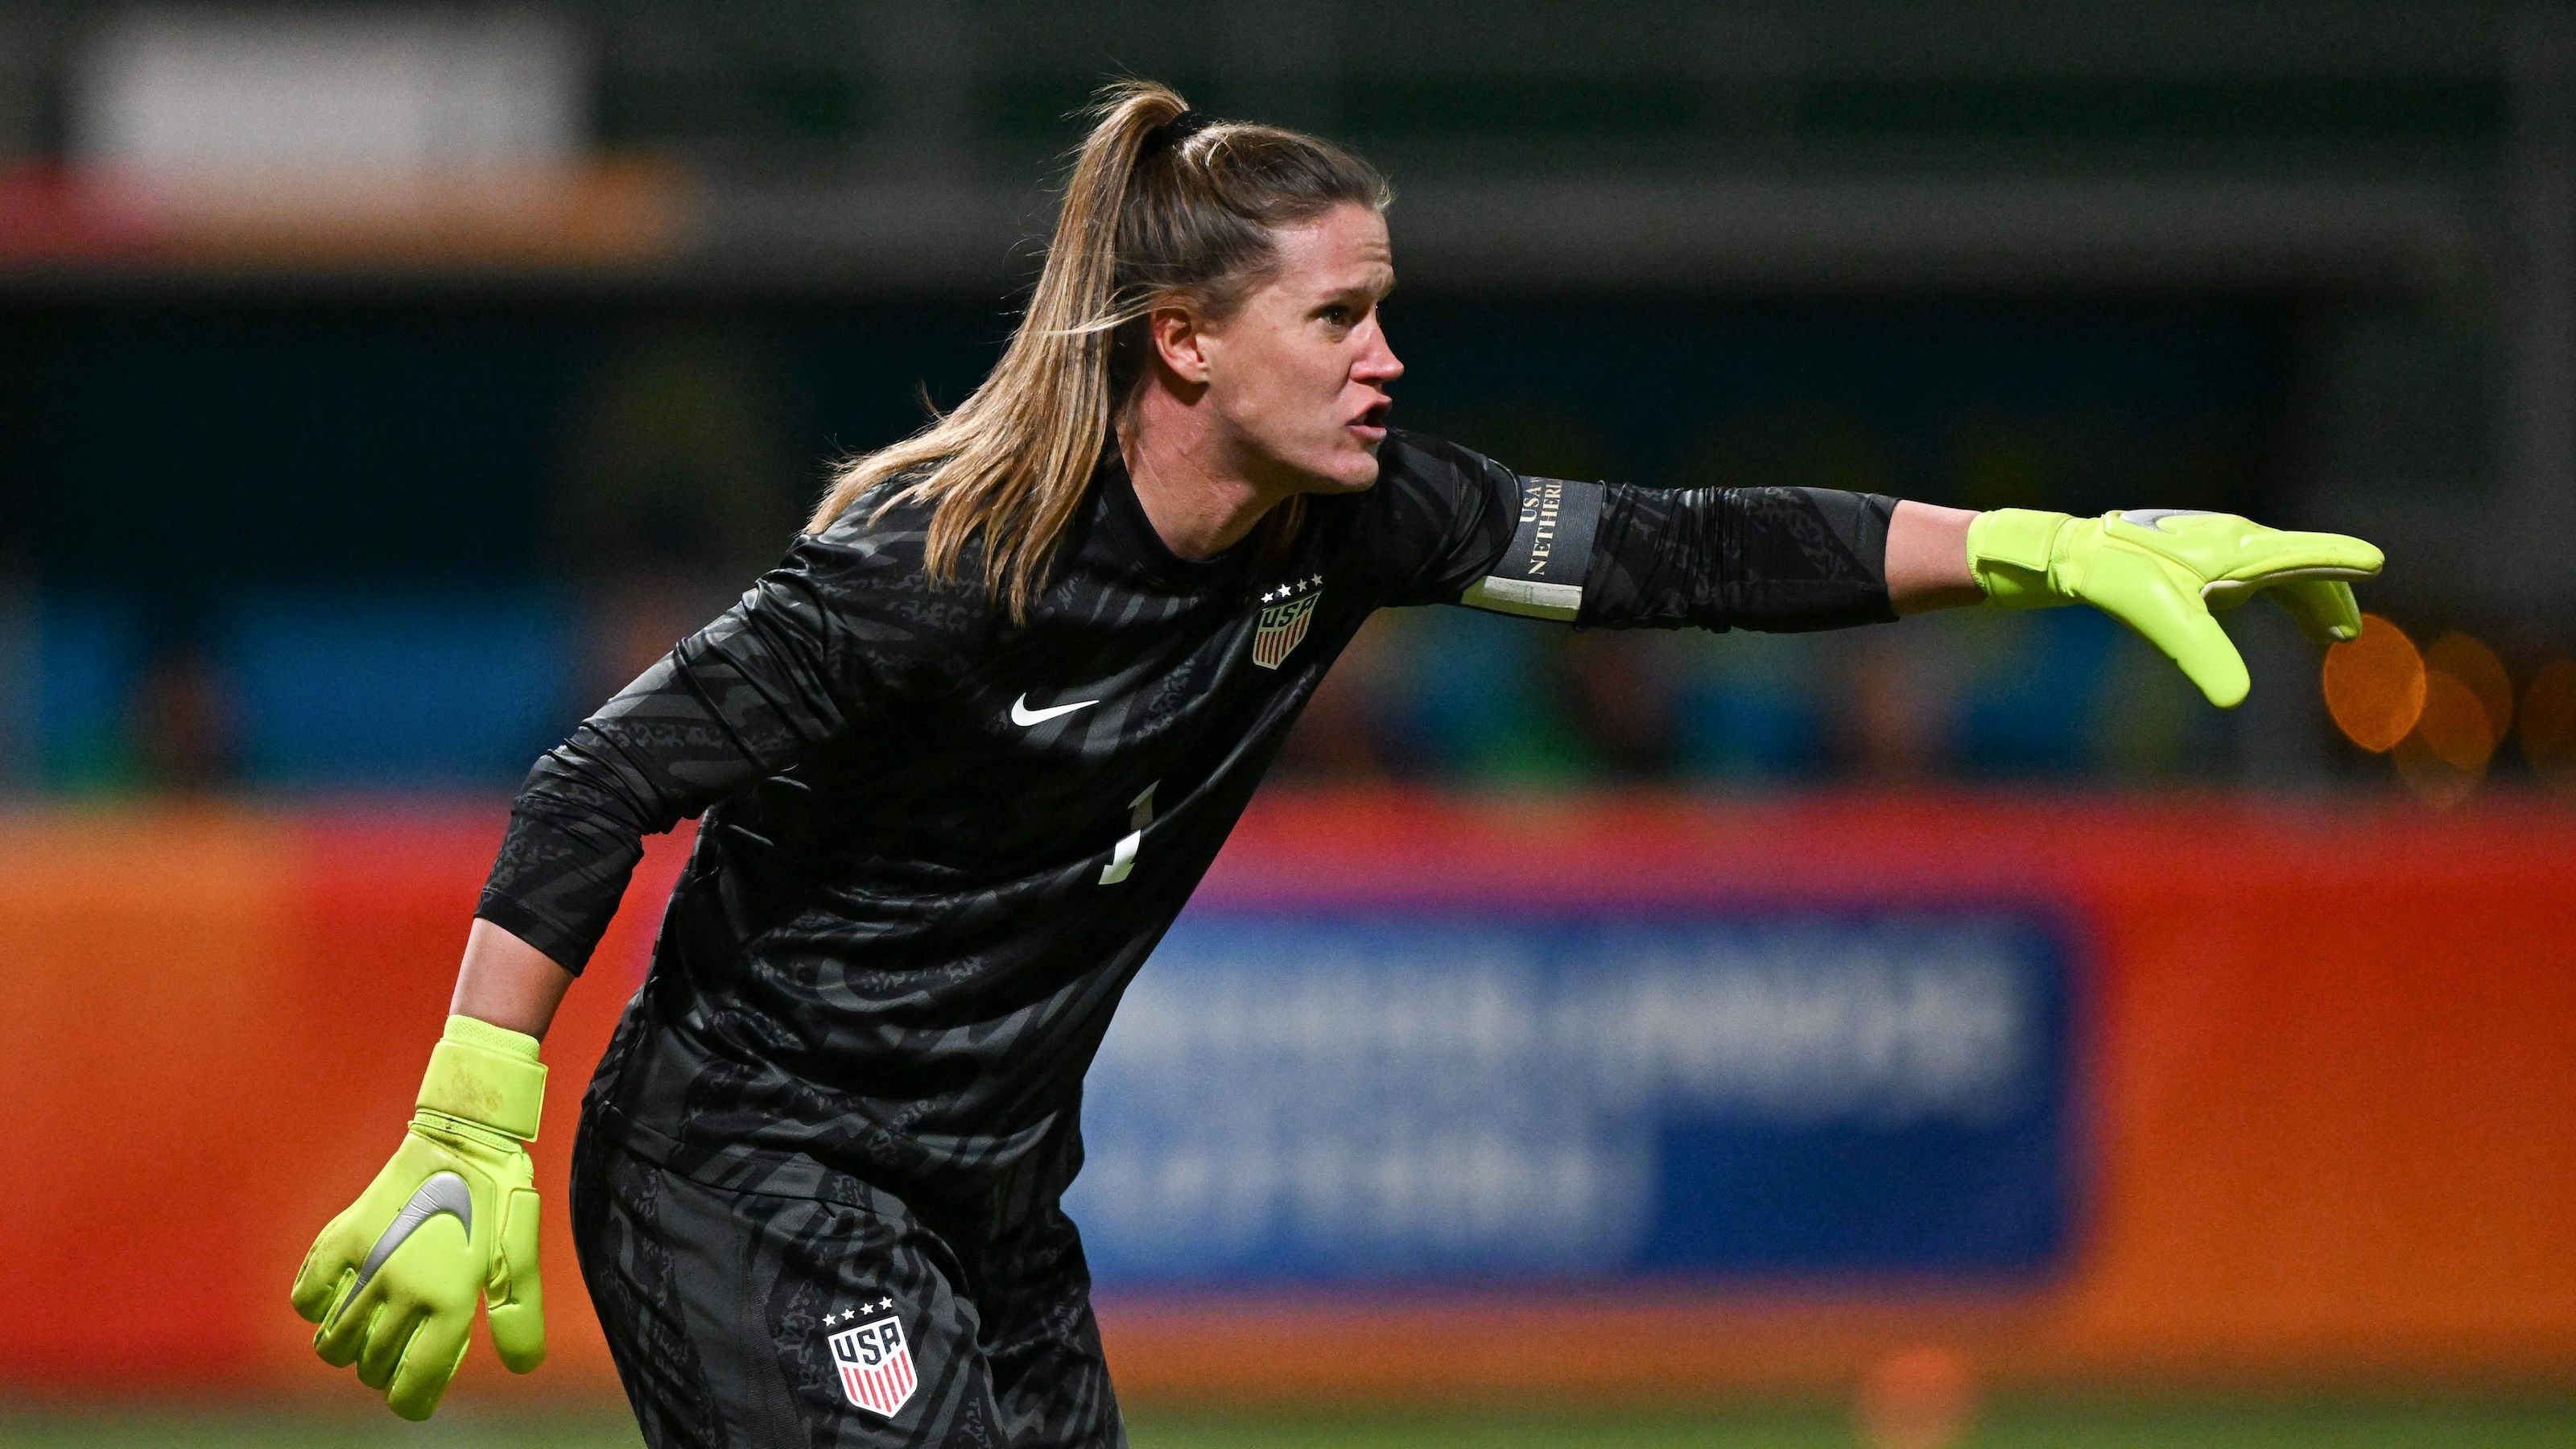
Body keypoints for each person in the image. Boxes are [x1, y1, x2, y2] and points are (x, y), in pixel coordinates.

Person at [289, 81, 2382, 1447]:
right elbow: (592, 785)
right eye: (1344, 319)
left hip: (995, 1207)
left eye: (1390, 314)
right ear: (1189, 342)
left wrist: (2032, 550)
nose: (1389, 358)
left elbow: (1681, 551)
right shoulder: (936, 569)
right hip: (751, 1176)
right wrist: (473, 1113)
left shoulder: (1357, 524)